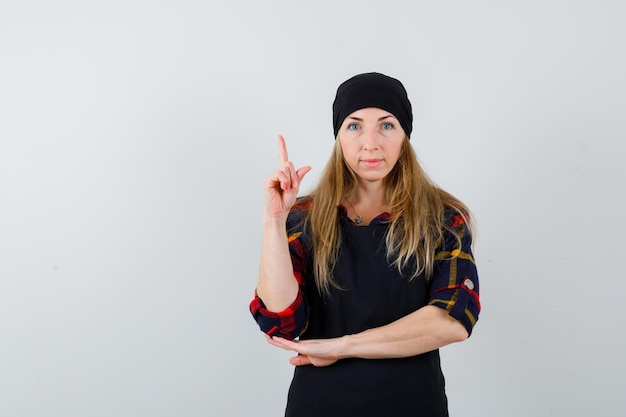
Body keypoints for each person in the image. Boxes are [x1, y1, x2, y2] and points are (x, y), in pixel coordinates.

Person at [249, 72, 480, 417]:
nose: (370, 143)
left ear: (405, 136)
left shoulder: (444, 218)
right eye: (354, 126)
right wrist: (274, 220)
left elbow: (452, 320)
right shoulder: (301, 217)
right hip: (319, 406)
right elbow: (282, 323)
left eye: (386, 126)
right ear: (339, 137)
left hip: (413, 405)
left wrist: (344, 346)